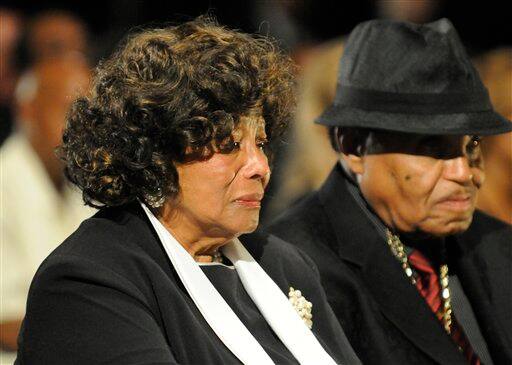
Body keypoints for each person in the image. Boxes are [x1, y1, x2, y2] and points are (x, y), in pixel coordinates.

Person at [15, 17, 360, 365]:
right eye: (229, 144)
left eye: (262, 143)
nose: (261, 167)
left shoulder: (283, 263)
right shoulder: (90, 281)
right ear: (155, 154)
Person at [267, 19, 512, 364]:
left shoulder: (498, 243)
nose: (464, 172)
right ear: (353, 147)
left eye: (471, 144)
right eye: (432, 148)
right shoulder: (293, 263)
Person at [0, 55, 95, 351]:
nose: (83, 129)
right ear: (27, 110)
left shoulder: (84, 183)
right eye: (70, 111)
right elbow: (4, 322)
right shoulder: (4, 185)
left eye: (91, 116)